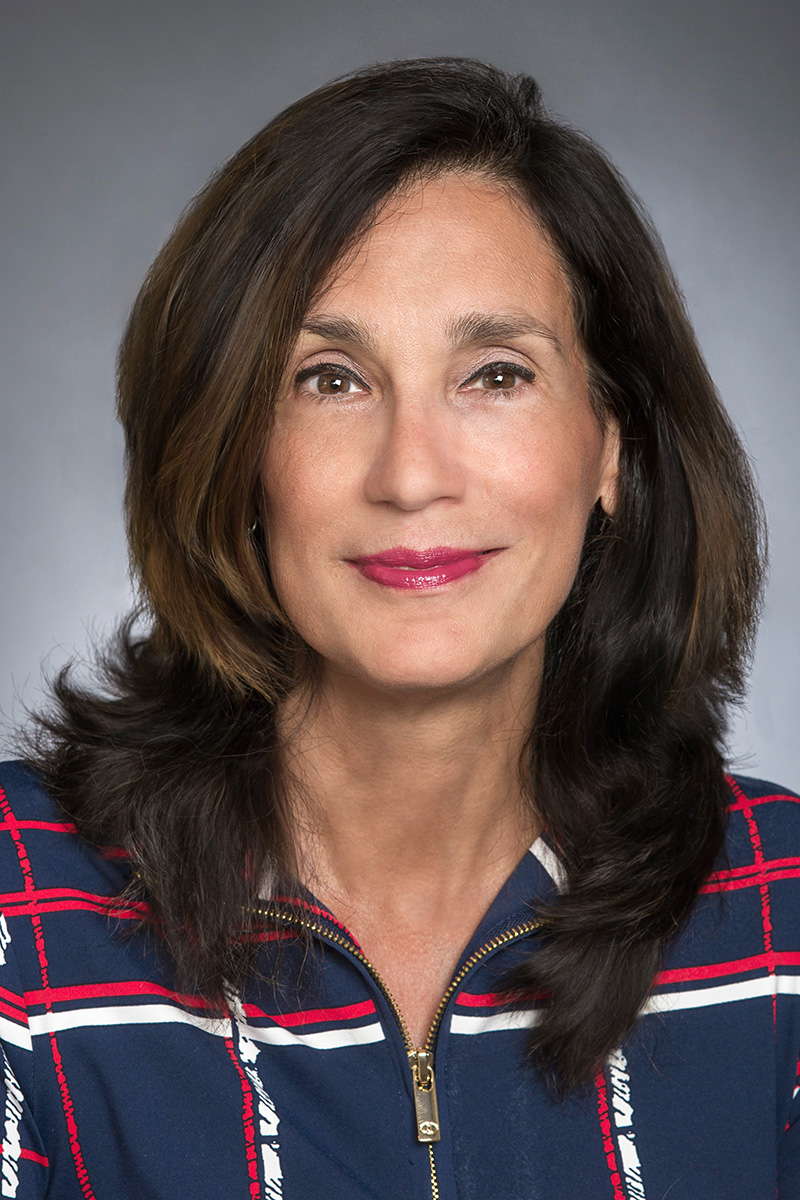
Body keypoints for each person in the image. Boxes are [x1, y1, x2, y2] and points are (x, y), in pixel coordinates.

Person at [0, 56, 797, 1200]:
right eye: (328, 379)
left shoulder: (783, 915)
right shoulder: (18, 918)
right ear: (234, 449)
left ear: (608, 445)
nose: (410, 474)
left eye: (493, 374)